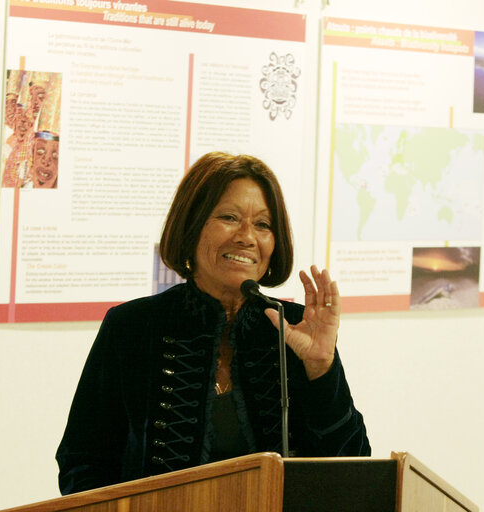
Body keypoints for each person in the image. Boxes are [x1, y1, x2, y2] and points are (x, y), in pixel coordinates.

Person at [56, 152, 370, 495]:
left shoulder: (294, 328)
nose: (247, 237)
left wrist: (321, 368)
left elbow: (352, 467)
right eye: (229, 217)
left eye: (263, 225)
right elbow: (82, 462)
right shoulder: (132, 326)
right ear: (191, 227)